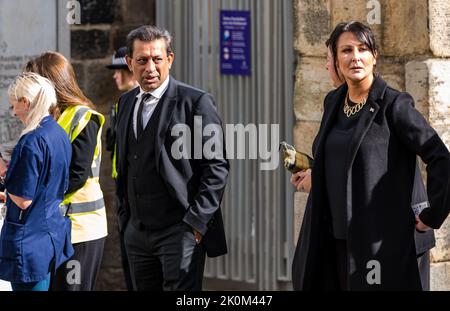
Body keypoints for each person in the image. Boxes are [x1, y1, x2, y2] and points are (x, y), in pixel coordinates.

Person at [292, 21, 450, 290]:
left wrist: (433, 214)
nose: (355, 57)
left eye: (363, 49)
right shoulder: (334, 102)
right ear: (336, 59)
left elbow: (440, 158)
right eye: (346, 50)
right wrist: (316, 176)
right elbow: (349, 160)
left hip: (382, 247)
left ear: (374, 56)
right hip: (335, 242)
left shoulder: (395, 105)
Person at [114, 25, 229, 290]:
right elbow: (125, 163)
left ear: (170, 60)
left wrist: (196, 224)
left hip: (180, 231)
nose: (150, 68)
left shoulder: (196, 102)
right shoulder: (126, 103)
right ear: (130, 62)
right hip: (136, 232)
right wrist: (125, 218)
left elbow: (217, 167)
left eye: (157, 59)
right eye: (142, 60)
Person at [25, 52, 108, 291]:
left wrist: (33, 195)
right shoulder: (50, 119)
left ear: (50, 84)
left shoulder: (83, 117)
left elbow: (77, 175)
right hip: (56, 229)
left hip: (81, 230)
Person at [0, 72, 73, 291]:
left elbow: (23, 200)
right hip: (49, 234)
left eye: (13, 104)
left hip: (29, 240)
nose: (13, 111)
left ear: (25, 102)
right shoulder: (57, 132)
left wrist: (5, 172)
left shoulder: (30, 141)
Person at [105, 46, 138, 291]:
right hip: (123, 191)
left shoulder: (143, 104)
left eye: (119, 71)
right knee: (129, 262)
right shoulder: (119, 106)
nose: (115, 77)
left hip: (139, 192)